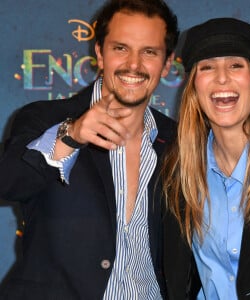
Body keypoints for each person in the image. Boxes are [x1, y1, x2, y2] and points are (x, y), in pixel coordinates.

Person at [0, 0, 179, 299]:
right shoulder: (44, 119)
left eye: (149, 52)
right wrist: (70, 136)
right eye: (120, 48)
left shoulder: (178, 139)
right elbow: (8, 183)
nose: (133, 64)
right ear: (99, 53)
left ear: (168, 63)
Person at [162, 17, 250, 300]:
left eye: (236, 65)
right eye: (207, 67)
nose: (222, 77)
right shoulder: (177, 172)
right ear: (194, 88)